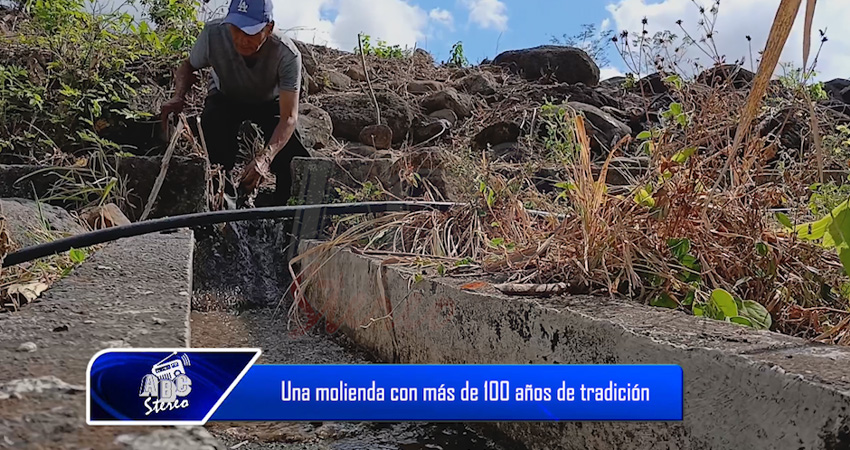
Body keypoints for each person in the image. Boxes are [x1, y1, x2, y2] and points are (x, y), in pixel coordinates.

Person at [160, 0, 308, 206]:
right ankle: (223, 206)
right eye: (236, 29)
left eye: (251, 32)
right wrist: (178, 96)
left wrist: (265, 158)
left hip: (268, 101)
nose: (241, 39)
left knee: (290, 151)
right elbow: (188, 66)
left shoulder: (287, 54)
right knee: (215, 135)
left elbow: (288, 117)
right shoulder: (213, 34)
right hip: (226, 96)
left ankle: (286, 208)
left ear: (269, 28)